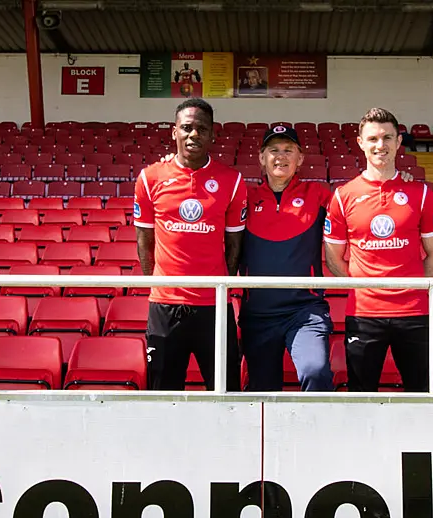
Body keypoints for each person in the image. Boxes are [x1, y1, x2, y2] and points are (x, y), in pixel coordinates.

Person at [323, 108, 433, 392]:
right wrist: (365, 289)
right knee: (361, 395)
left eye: (388, 137)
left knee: (422, 394)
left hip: (414, 312)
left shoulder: (422, 193)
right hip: (364, 313)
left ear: (399, 141)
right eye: (374, 138)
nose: (381, 145)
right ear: (360, 143)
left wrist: (410, 285)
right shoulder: (343, 195)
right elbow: (333, 258)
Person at [133, 98, 246, 391]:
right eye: (186, 128)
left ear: (212, 134)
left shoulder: (231, 181)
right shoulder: (149, 178)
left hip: (213, 304)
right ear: (174, 132)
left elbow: (234, 245)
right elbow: (145, 243)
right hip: (165, 305)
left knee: (226, 391)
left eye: (201, 129)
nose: (193, 135)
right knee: (162, 392)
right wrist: (159, 286)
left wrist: (220, 285)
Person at [239, 125, 334, 391]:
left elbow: (359, 208)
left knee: (315, 372)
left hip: (304, 310)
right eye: (274, 150)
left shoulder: (318, 195)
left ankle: (317, 432)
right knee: (262, 390)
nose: (281, 157)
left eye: (288, 150)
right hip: (258, 313)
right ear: (261, 157)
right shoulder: (245, 197)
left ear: (300, 158)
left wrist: (396, 180)